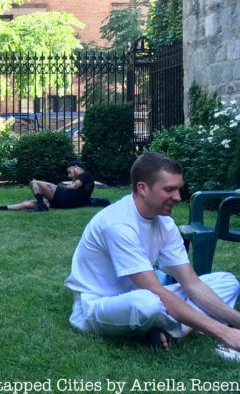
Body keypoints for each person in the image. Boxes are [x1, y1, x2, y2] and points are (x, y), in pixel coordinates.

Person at [64, 152, 240, 358]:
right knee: (148, 303)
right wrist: (225, 332)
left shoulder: (164, 222)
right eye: (169, 190)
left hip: (148, 293)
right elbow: (155, 290)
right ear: (143, 188)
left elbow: (191, 283)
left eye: (178, 189)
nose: (178, 197)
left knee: (226, 281)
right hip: (99, 305)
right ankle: (171, 325)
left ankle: (178, 333)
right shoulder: (118, 224)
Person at [0, 160, 95, 212]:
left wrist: (60, 188)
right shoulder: (84, 179)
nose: (69, 176)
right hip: (66, 203)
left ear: (76, 168)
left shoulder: (85, 175)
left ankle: (41, 207)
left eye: (69, 172)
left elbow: (74, 186)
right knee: (27, 203)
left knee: (34, 182)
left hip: (67, 198)